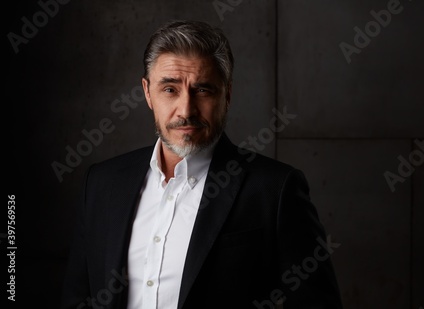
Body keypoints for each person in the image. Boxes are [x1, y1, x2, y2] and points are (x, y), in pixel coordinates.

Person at [60, 20, 343, 309]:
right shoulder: (102, 183)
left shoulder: (276, 190)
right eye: (170, 89)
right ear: (147, 93)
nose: (186, 110)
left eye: (203, 90)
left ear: (227, 95)